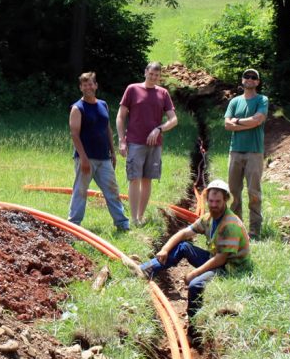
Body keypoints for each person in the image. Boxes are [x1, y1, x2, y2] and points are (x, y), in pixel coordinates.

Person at [138, 179, 251, 319]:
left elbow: (221, 259)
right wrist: (165, 249)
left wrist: (194, 274)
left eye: (218, 201)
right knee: (184, 246)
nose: (214, 205)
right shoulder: (209, 218)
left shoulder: (230, 225)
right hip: (216, 259)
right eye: (211, 201)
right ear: (207, 200)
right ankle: (146, 269)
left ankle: (193, 327)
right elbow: (184, 233)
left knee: (195, 285)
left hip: (230, 268)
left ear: (225, 200)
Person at [116, 62, 178, 228]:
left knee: (147, 179)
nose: (153, 78)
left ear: (160, 77)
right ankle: (134, 218)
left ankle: (140, 217)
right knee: (134, 178)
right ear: (145, 73)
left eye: (157, 76)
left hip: (154, 144)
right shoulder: (132, 89)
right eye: (151, 74)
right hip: (135, 141)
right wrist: (122, 140)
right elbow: (121, 116)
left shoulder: (163, 93)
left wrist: (159, 129)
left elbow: (174, 120)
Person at [68, 72, 130, 231]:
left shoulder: (103, 104)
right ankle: (74, 225)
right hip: (86, 158)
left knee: (112, 190)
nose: (88, 87)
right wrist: (83, 158)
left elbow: (107, 129)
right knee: (80, 192)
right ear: (81, 87)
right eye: (84, 84)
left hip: (104, 158)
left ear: (96, 85)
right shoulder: (77, 108)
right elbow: (74, 134)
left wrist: (113, 152)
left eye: (91, 84)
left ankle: (122, 224)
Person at [224, 68, 269, 237]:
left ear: (257, 82)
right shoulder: (234, 101)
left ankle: (255, 230)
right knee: (234, 192)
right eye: (246, 76)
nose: (249, 79)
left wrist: (236, 121)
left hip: (254, 152)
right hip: (235, 151)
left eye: (253, 77)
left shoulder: (262, 100)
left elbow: (257, 120)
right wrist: (246, 123)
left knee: (254, 192)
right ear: (242, 80)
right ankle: (237, 228)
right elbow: (227, 125)